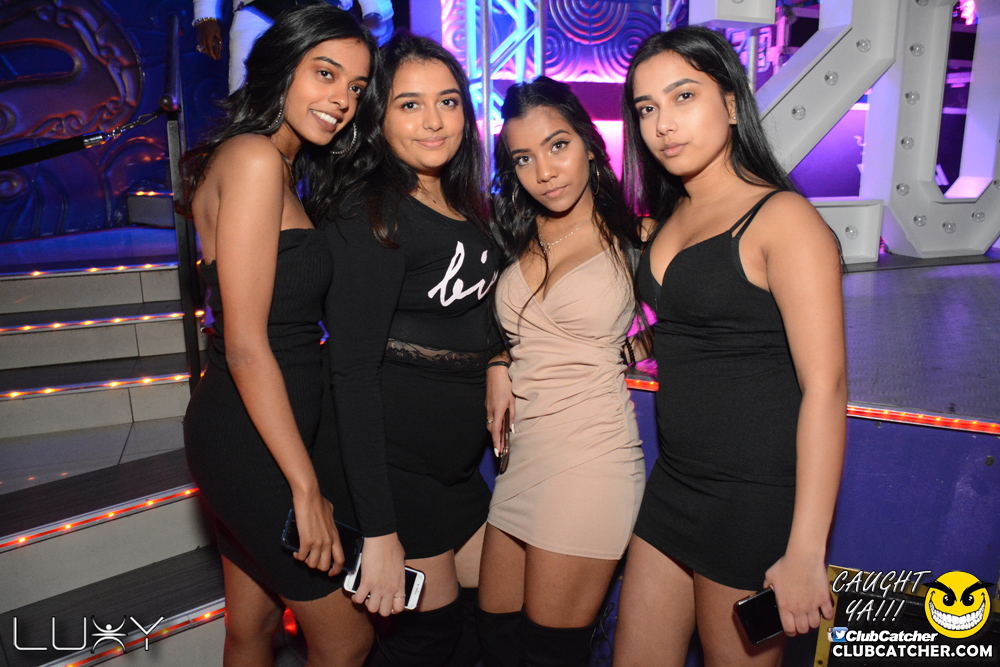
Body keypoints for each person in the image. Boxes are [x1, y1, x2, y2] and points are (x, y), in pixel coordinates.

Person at [613, 26, 846, 667]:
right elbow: (698, 327)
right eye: (647, 108)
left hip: (751, 500)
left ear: (733, 103)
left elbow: (826, 387)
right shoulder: (674, 213)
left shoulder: (784, 219)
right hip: (674, 483)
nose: (663, 123)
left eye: (684, 96)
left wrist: (806, 550)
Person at [181, 6, 378, 665]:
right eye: (326, 73)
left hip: (265, 425)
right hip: (251, 439)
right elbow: (244, 343)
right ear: (283, 68)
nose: (342, 99)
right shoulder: (255, 159)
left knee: (253, 626)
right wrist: (305, 487)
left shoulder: (274, 164)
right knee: (347, 639)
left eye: (356, 86)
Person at [322, 32, 497, 667]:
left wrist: (500, 362)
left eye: (448, 102)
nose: (434, 121)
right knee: (429, 640)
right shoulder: (372, 212)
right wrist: (378, 530)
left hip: (458, 475)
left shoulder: (465, 204)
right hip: (395, 475)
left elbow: (484, 319)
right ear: (378, 116)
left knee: (495, 623)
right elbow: (352, 373)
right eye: (409, 104)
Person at [477, 77, 647, 667]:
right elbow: (489, 321)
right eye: (523, 158)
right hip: (521, 462)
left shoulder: (636, 237)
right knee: (497, 640)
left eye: (558, 146)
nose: (545, 172)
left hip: (591, 459)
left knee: (548, 655)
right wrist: (499, 358)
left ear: (590, 145)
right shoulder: (511, 233)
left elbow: (702, 318)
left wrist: (627, 351)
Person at [193, 0, 394, 93]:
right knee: (246, 93)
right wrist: (206, 14)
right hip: (257, 13)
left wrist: (374, 11)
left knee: (324, 92)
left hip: (325, 12)